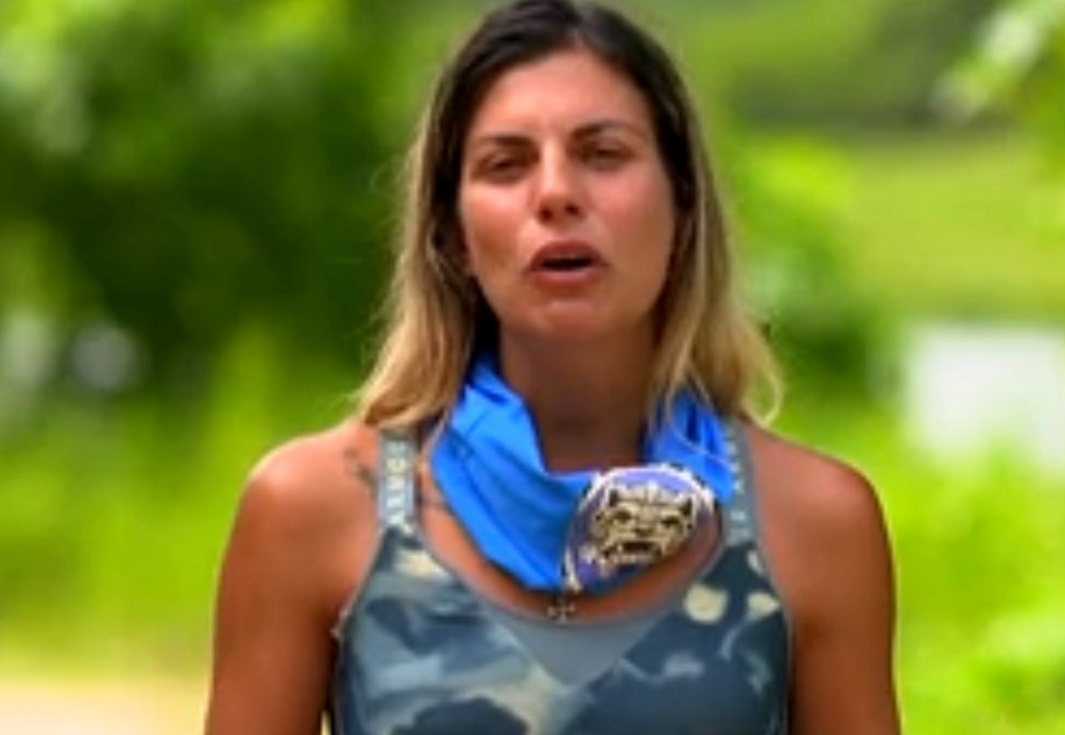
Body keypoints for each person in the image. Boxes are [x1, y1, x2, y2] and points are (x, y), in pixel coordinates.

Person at [202, 0, 900, 733]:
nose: (557, 193)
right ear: (451, 235)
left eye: (603, 154)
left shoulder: (815, 524)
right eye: (506, 165)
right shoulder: (313, 511)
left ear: (684, 207)